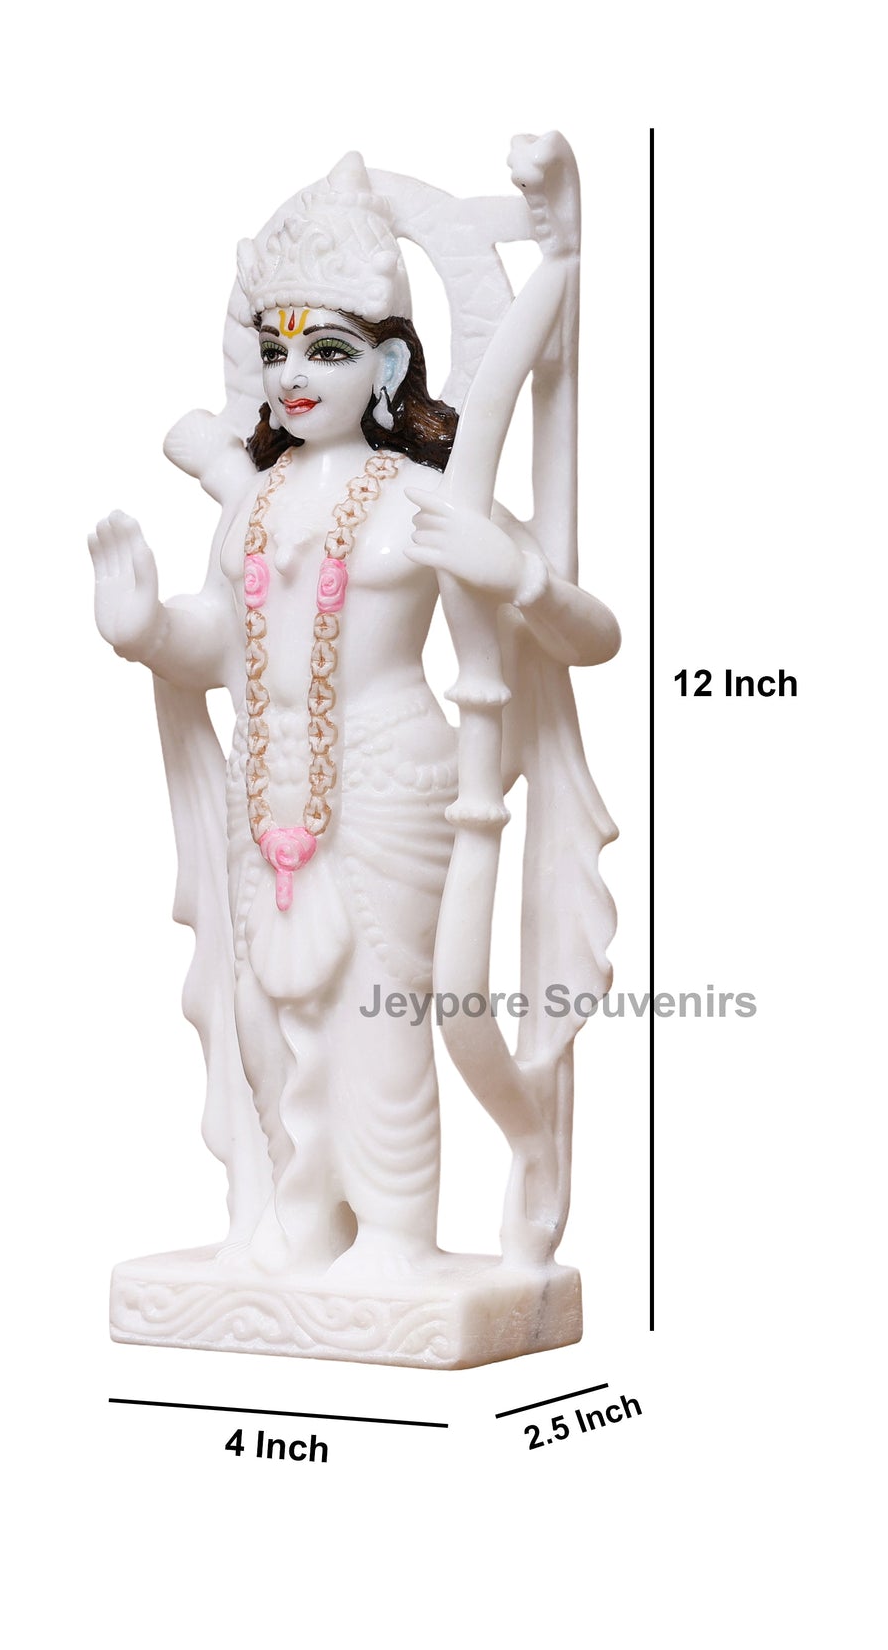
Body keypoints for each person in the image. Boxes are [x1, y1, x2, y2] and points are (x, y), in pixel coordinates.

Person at [90, 155, 617, 1281]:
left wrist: (518, 576)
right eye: (275, 350)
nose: (293, 376)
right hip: (266, 783)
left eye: (326, 351)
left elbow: (593, 636)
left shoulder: (424, 495)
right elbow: (223, 642)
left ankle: (394, 1236)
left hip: (387, 780)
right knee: (268, 1015)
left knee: (378, 1012)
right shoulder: (255, 503)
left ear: (388, 365)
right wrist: (148, 631)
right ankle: (300, 1222)